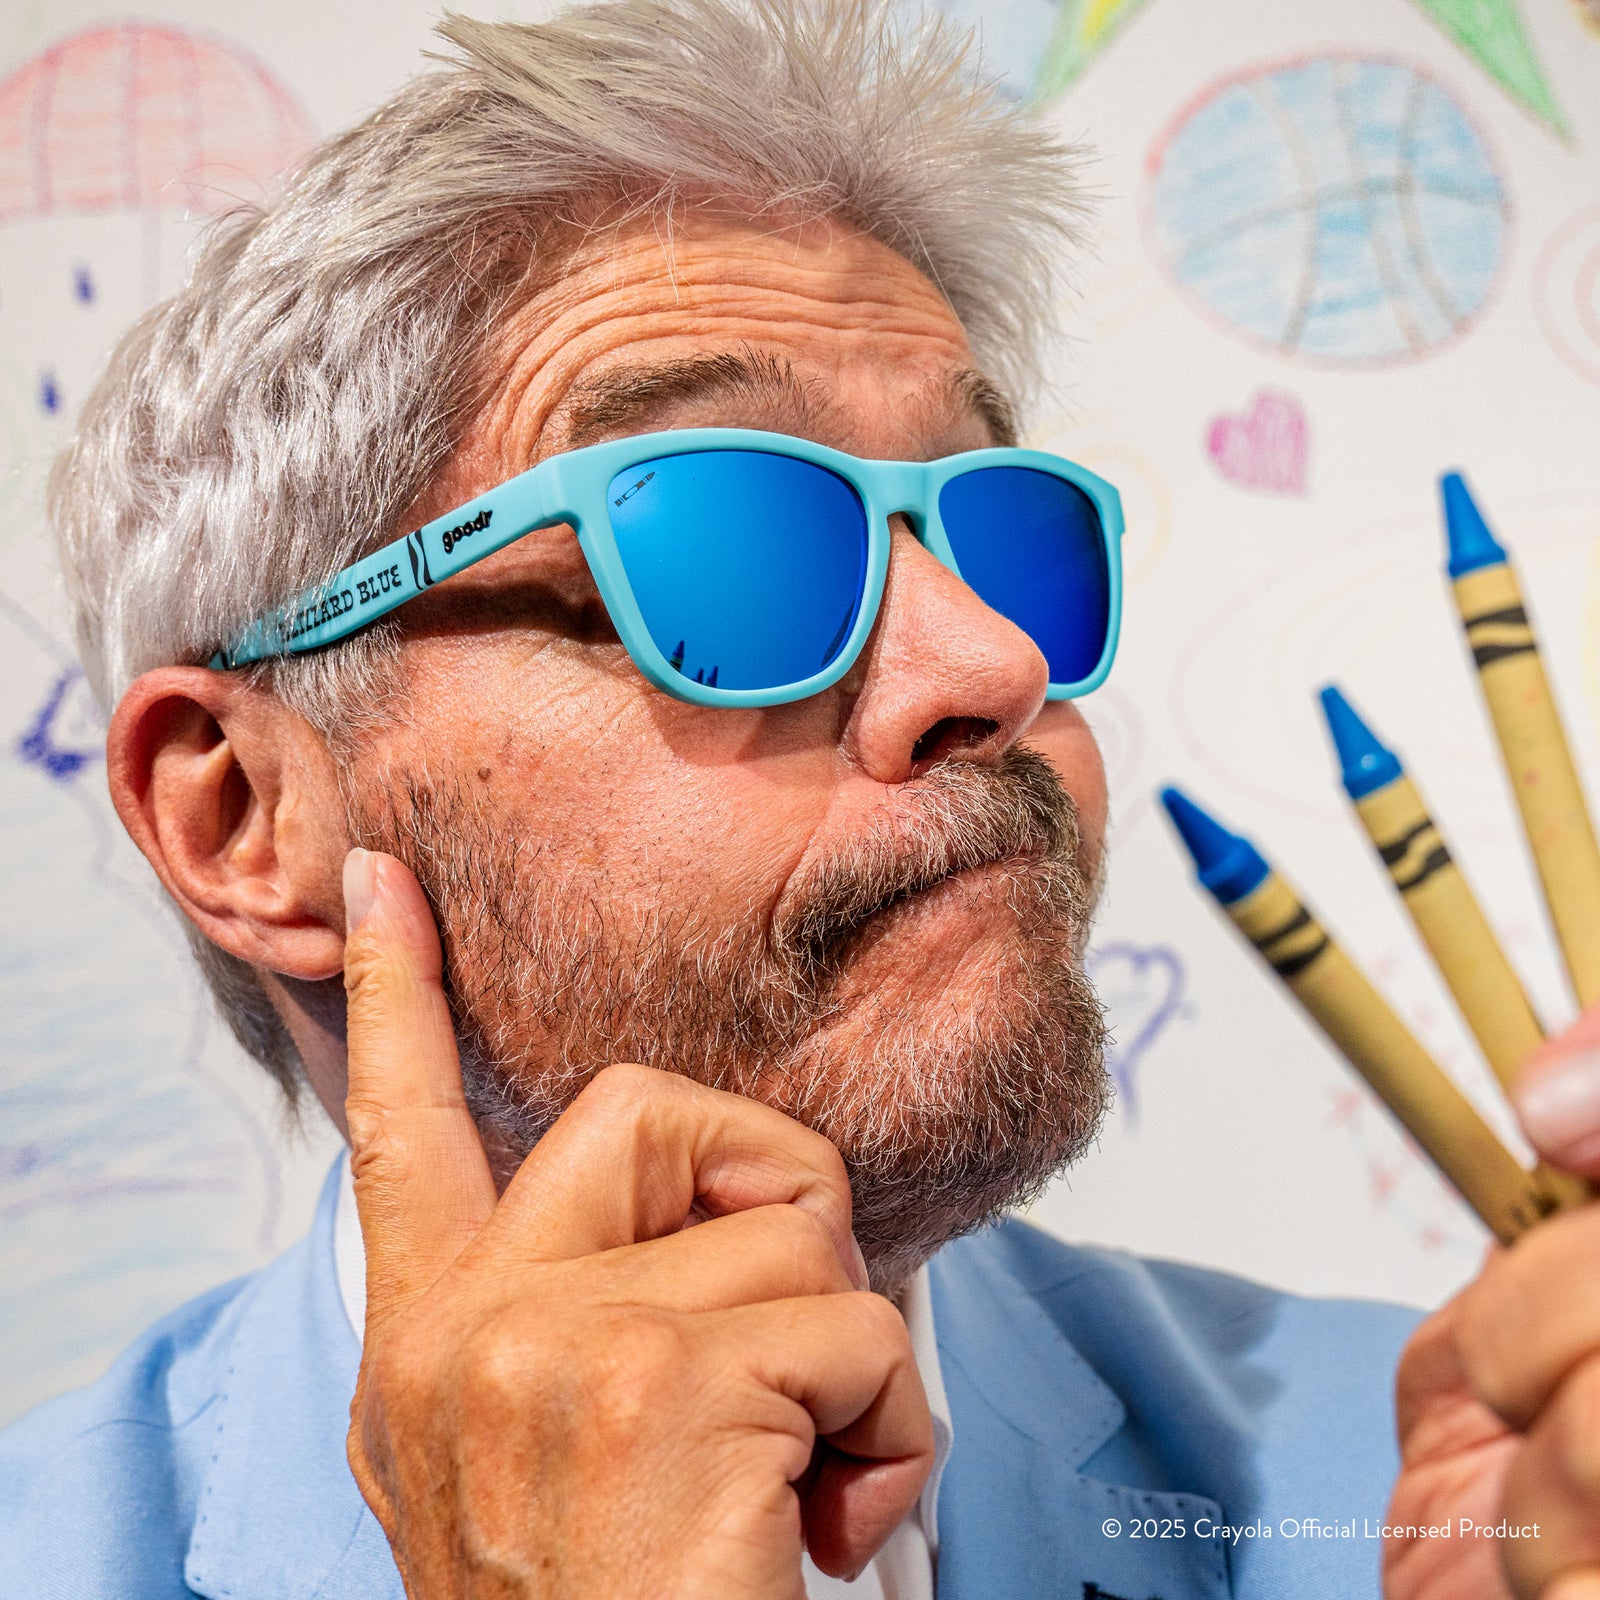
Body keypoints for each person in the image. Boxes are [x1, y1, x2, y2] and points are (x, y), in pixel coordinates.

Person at [4, 4, 1600, 1597]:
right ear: (242, 818)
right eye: (732, 545)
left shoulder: (1464, 1492)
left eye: (1007, 537)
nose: (992, 665)